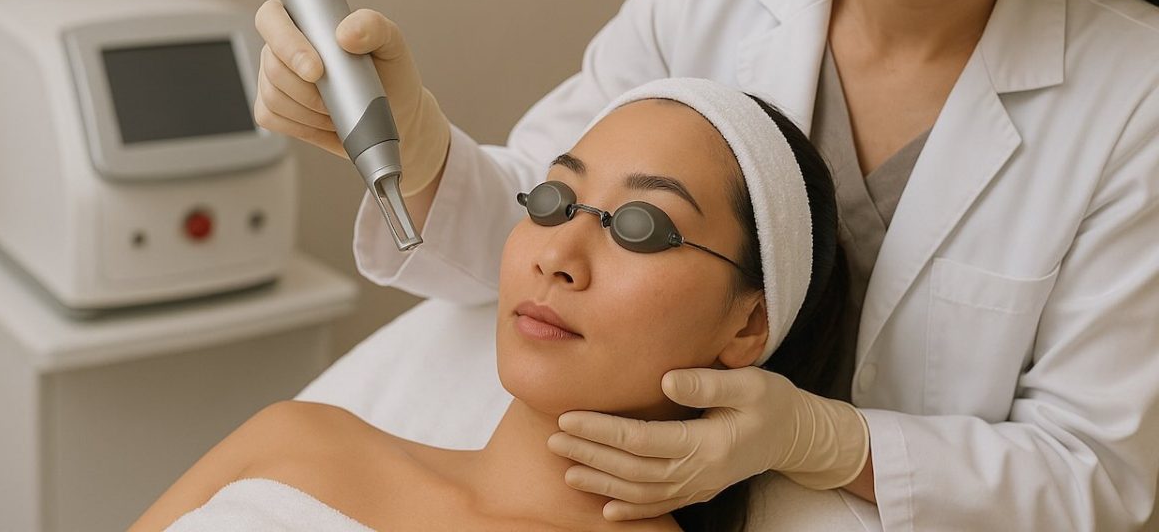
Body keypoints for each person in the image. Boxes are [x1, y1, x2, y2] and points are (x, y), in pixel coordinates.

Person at [253, 0, 1159, 528]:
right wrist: (420, 148)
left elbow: (1101, 479)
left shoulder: (1133, 95)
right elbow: (543, 236)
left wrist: (823, 439)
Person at [130, 80, 856, 532]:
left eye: (640, 227)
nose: (557, 253)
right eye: (552, 200)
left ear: (747, 323)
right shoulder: (295, 438)